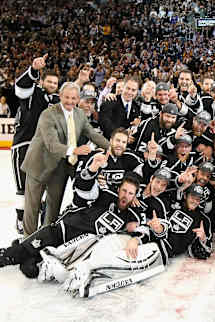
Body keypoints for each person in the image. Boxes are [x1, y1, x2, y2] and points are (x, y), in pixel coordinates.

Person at [0, 173, 143, 279]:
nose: (126, 196)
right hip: (62, 230)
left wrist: (134, 238)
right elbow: (83, 186)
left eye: (131, 193)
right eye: (124, 191)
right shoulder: (105, 194)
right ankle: (9, 254)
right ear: (119, 189)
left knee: (31, 269)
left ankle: (28, 255)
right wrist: (92, 170)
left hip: (74, 249)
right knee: (20, 251)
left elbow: (142, 230)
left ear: (135, 195)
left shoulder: (131, 215)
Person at [21, 82, 110, 236]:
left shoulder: (79, 114)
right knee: (32, 208)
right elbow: (52, 144)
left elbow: (93, 134)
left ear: (78, 99)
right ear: (60, 96)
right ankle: (27, 242)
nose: (70, 101)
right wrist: (75, 150)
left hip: (59, 168)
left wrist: (113, 148)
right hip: (39, 165)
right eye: (67, 97)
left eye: (74, 98)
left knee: (53, 209)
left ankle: (44, 240)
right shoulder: (48, 114)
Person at [11, 54, 60, 234]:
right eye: (50, 82)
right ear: (41, 82)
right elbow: (20, 88)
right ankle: (21, 219)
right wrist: (33, 69)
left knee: (42, 187)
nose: (52, 86)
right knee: (23, 188)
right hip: (24, 146)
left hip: (44, 150)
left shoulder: (55, 101)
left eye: (55, 84)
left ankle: (38, 222)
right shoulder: (33, 93)